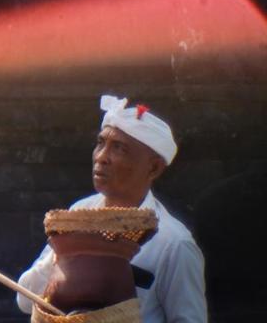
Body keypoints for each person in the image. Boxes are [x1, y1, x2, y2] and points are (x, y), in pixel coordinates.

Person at [16, 95, 208, 322]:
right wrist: (66, 254)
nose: (101, 157)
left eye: (119, 148)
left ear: (154, 168)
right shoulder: (79, 213)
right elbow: (26, 301)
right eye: (100, 143)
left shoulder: (174, 244)